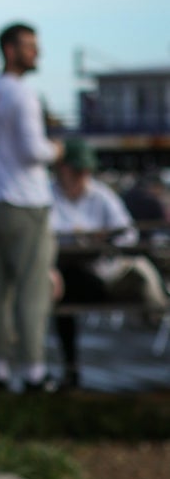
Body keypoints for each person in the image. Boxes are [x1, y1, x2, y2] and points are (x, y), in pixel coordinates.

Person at [0, 23, 62, 392]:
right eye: (29, 46)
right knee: (31, 290)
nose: (36, 53)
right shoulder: (22, 94)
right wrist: (58, 150)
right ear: (10, 50)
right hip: (25, 202)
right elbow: (33, 151)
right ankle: (34, 372)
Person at [50, 140, 168, 387]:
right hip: (65, 274)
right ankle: (67, 369)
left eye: (85, 171)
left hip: (102, 270)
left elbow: (128, 233)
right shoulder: (49, 196)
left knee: (140, 270)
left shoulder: (101, 195)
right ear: (63, 169)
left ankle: (158, 314)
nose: (82, 177)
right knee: (61, 284)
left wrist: (104, 240)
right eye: (77, 171)